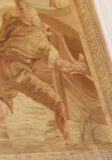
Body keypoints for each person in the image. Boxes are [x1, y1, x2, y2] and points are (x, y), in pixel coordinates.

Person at [0, 0, 88, 142]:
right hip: (18, 74)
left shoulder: (10, 22)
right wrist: (77, 67)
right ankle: (68, 140)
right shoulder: (43, 43)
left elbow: (13, 15)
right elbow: (62, 66)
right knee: (59, 105)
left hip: (2, 68)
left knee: (1, 112)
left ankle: (5, 142)